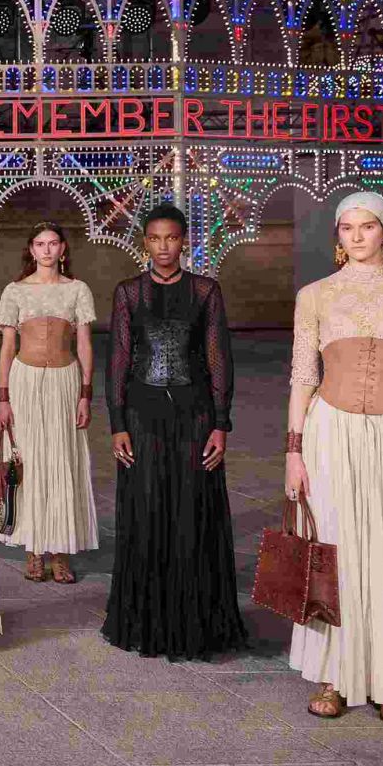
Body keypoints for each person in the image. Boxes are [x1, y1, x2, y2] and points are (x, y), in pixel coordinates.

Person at [286, 191, 383, 726]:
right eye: (347, 227)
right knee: (335, 548)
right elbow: (303, 378)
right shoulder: (315, 296)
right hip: (330, 433)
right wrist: (293, 451)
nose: (356, 236)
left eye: (367, 226)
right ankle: (334, 676)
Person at [104, 204, 248, 659]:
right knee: (145, 509)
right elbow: (119, 360)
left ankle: (197, 624)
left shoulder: (206, 290)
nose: (163, 246)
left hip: (195, 414)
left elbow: (218, 358)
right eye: (154, 238)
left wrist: (221, 423)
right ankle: (146, 620)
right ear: (144, 242)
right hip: (142, 414)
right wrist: (117, 424)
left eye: (171, 238)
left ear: (184, 241)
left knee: (194, 511)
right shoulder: (128, 292)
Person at [0, 222, 98, 583]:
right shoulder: (15, 291)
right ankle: (34, 552)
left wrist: (85, 393)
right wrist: (3, 398)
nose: (47, 250)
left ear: (63, 248)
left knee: (63, 459)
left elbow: (84, 344)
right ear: (32, 249)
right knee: (30, 461)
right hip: (24, 381)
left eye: (53, 243)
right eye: (40, 244)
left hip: (65, 381)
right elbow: (7, 348)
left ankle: (61, 552)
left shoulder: (77, 290)